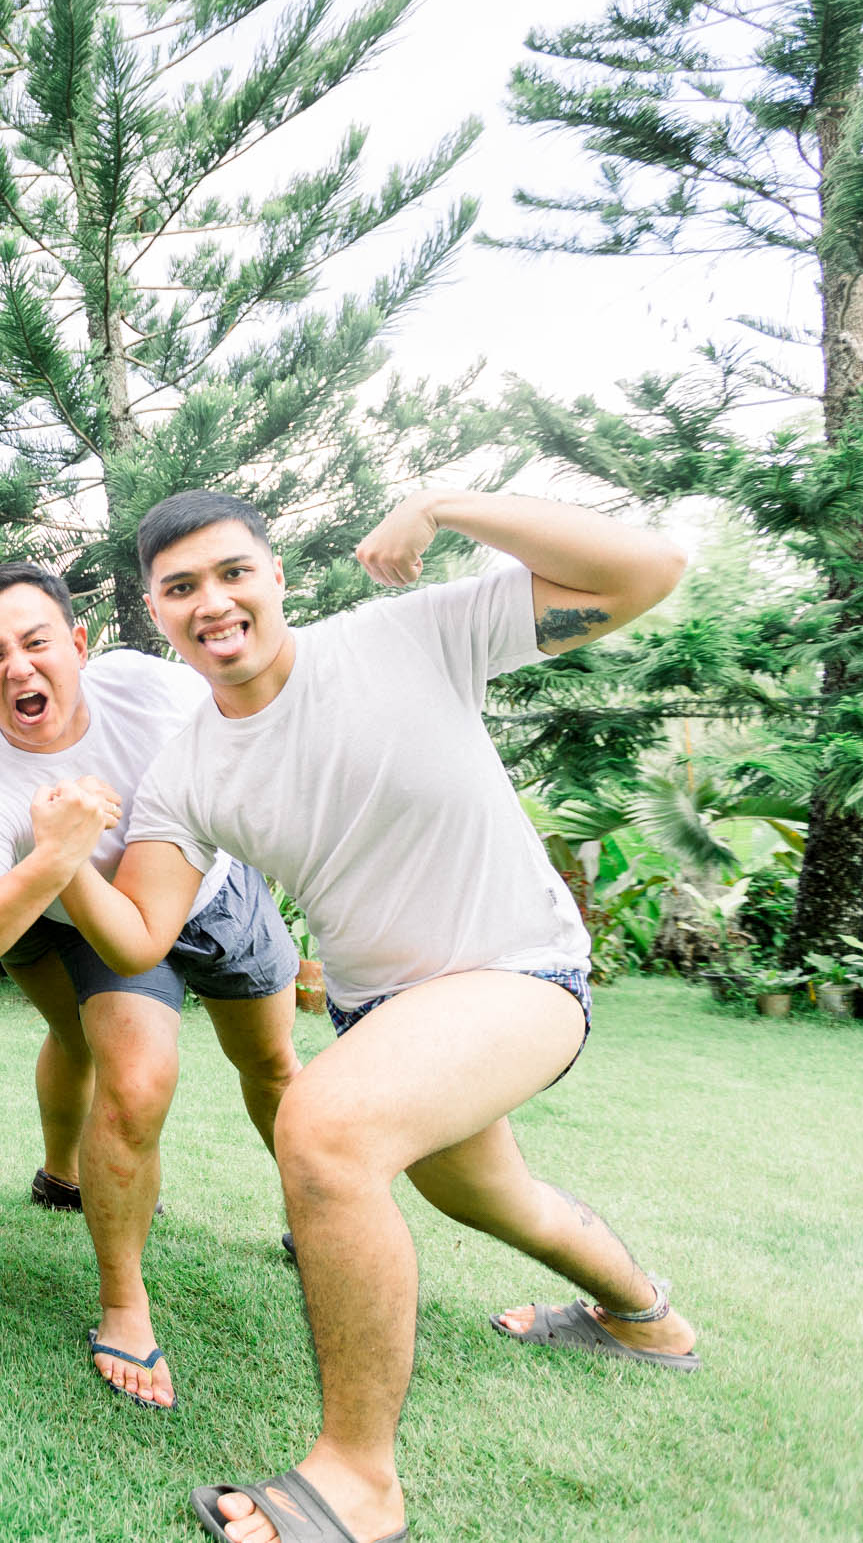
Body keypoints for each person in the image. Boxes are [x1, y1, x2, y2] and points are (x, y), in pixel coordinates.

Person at [74, 489, 696, 1543]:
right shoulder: (185, 771)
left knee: (321, 1127)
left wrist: (443, 506)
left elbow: (647, 570)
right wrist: (55, 860)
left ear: (275, 575)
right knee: (496, 1198)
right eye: (180, 587)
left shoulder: (404, 635)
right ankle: (646, 1318)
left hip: (520, 970)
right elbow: (139, 936)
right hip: (386, 1019)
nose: (211, 601)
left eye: (232, 572)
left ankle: (358, 1480)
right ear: (155, 608)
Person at [0, 563, 303, 1392]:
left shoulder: (148, 686)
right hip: (107, 928)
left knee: (271, 1064)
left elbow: (262, 710)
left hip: (220, 896)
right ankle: (125, 1300)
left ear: (79, 644)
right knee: (133, 1083)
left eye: (36, 642)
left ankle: (313, 1212)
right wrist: (56, 853)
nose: (18, 667)